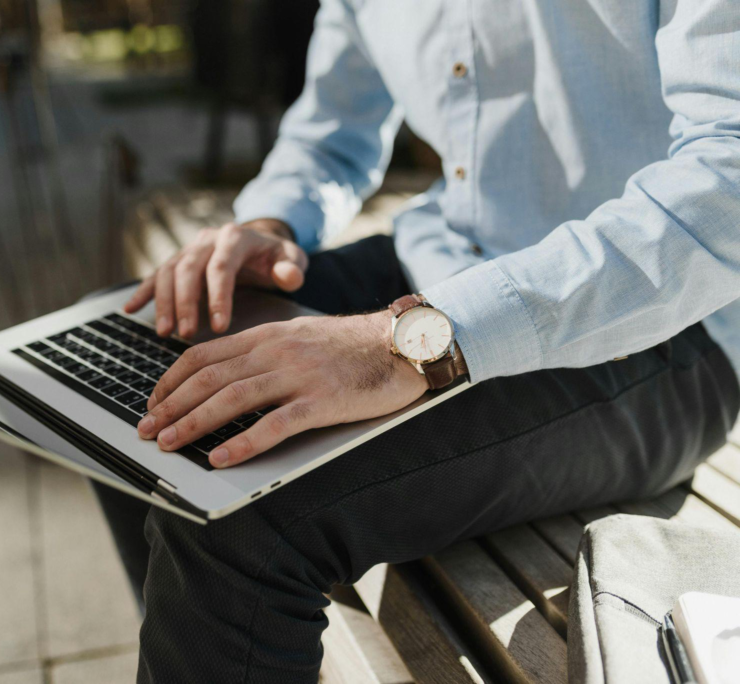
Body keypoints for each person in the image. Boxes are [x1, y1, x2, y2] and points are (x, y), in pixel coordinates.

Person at [97, 2, 740, 681]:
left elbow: (727, 183)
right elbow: (329, 130)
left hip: (661, 325)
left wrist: (405, 344)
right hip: (440, 261)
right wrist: (272, 221)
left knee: (245, 520)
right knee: (129, 357)